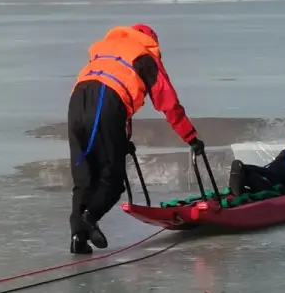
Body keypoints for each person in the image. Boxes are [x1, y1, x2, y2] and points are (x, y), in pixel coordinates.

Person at [68, 23, 205, 254]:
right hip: (106, 102)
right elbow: (168, 102)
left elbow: (111, 86)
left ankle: (78, 239)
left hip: (77, 102)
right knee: (112, 181)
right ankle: (88, 218)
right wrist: (191, 137)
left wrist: (122, 139)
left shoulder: (108, 49)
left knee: (85, 177)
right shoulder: (145, 56)